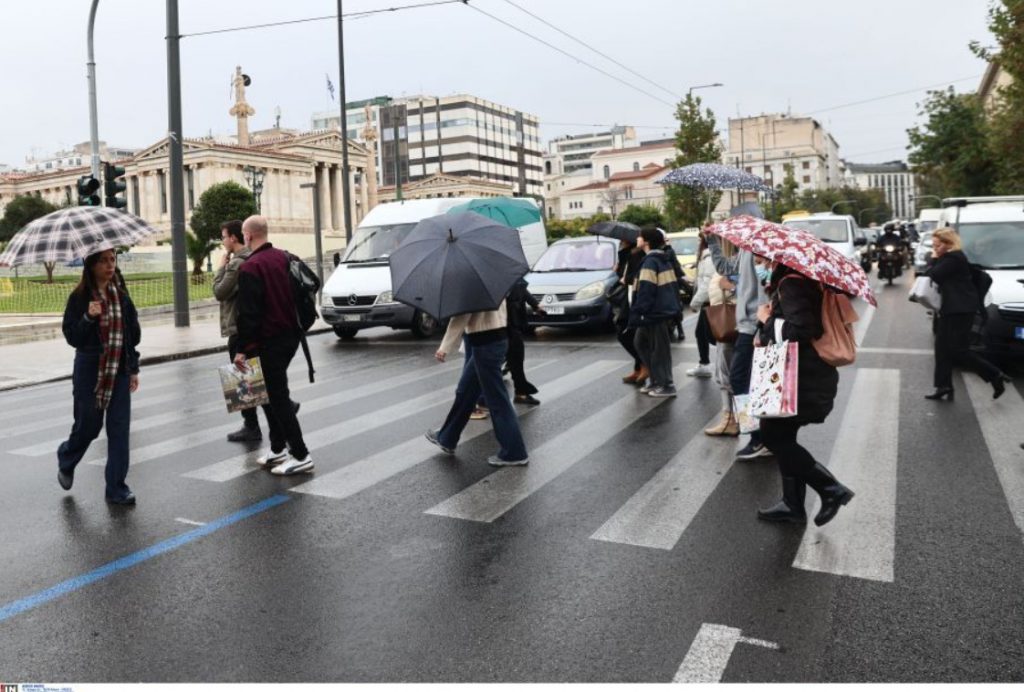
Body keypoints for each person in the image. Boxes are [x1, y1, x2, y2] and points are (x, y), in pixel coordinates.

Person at [755, 263, 854, 526]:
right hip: (805, 375)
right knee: (784, 436)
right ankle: (792, 505)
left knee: (773, 436)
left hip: (800, 377)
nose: (761, 259)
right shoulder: (806, 279)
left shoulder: (792, 282)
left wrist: (766, 321)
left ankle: (831, 489)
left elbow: (802, 330)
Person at [57, 250, 141, 505]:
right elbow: (72, 336)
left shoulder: (122, 297)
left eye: (113, 259)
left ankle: (116, 488)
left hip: (119, 368)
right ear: (91, 265)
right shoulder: (80, 298)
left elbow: (133, 336)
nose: (109, 265)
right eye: (103, 260)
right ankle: (67, 457)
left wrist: (133, 368)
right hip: (89, 368)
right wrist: (88, 318)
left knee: (119, 430)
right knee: (89, 426)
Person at [234, 215, 313, 476]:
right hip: (292, 336)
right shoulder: (286, 257)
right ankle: (278, 448)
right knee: (270, 395)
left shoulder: (250, 268)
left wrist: (242, 349)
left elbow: (248, 314)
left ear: (248, 236)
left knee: (278, 398)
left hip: (269, 341)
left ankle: (300, 454)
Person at [426, 301, 529, 466]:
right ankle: (447, 438)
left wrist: (445, 346)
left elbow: (462, 315)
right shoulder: (490, 280)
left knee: (497, 400)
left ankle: (514, 452)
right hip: (492, 341)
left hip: (486, 344)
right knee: (465, 391)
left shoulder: (470, 284)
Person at [707, 232, 771, 459]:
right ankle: (760, 435)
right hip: (745, 324)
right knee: (748, 380)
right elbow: (725, 267)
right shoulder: (744, 249)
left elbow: (766, 289)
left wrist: (762, 327)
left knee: (741, 379)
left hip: (755, 325)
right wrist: (711, 242)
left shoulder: (761, 249)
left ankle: (757, 436)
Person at [922, 228, 1006, 401]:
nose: (935, 248)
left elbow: (933, 275)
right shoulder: (950, 258)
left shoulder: (954, 258)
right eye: (934, 245)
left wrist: (933, 259)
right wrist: (937, 258)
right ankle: (943, 386)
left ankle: (995, 375)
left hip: (961, 310)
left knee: (959, 350)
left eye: (937, 245)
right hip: (951, 308)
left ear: (948, 244)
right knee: (942, 349)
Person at [213, 219, 261, 442]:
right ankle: (255, 423)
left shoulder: (236, 263)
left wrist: (221, 266)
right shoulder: (254, 257)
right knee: (251, 376)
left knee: (243, 378)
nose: (223, 241)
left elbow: (220, 292)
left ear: (233, 237)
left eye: (223, 236)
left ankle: (251, 426)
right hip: (253, 326)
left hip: (237, 327)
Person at [629, 228, 680, 398]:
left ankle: (666, 384)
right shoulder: (658, 259)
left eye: (640, 236)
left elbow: (646, 290)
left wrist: (639, 311)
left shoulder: (652, 261)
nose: (637, 239)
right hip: (656, 311)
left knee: (659, 349)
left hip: (655, 312)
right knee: (641, 343)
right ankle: (656, 379)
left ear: (647, 241)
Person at [703, 272, 738, 436]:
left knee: (728, 376)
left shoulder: (743, 262)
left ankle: (737, 423)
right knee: (725, 374)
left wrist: (732, 287)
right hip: (737, 324)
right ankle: (733, 420)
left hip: (736, 324)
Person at [505, 277, 546, 405]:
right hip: (497, 324)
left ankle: (521, 392)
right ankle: (476, 400)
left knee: (516, 357)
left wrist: (535, 305)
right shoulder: (487, 273)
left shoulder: (507, 270)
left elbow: (521, 287)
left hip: (512, 321)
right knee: (480, 368)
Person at [615, 239, 647, 385]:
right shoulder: (628, 254)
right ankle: (639, 367)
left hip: (635, 300)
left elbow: (633, 277)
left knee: (628, 334)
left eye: (623, 240)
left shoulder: (638, 254)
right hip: (628, 299)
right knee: (625, 332)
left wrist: (624, 278)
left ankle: (644, 365)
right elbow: (623, 274)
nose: (620, 241)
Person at [687, 236, 715, 378]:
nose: (697, 243)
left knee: (713, 336)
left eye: (699, 240)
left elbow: (707, 284)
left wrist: (695, 303)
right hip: (709, 302)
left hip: (709, 302)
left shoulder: (709, 258)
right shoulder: (706, 258)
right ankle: (704, 363)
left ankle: (706, 364)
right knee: (701, 333)